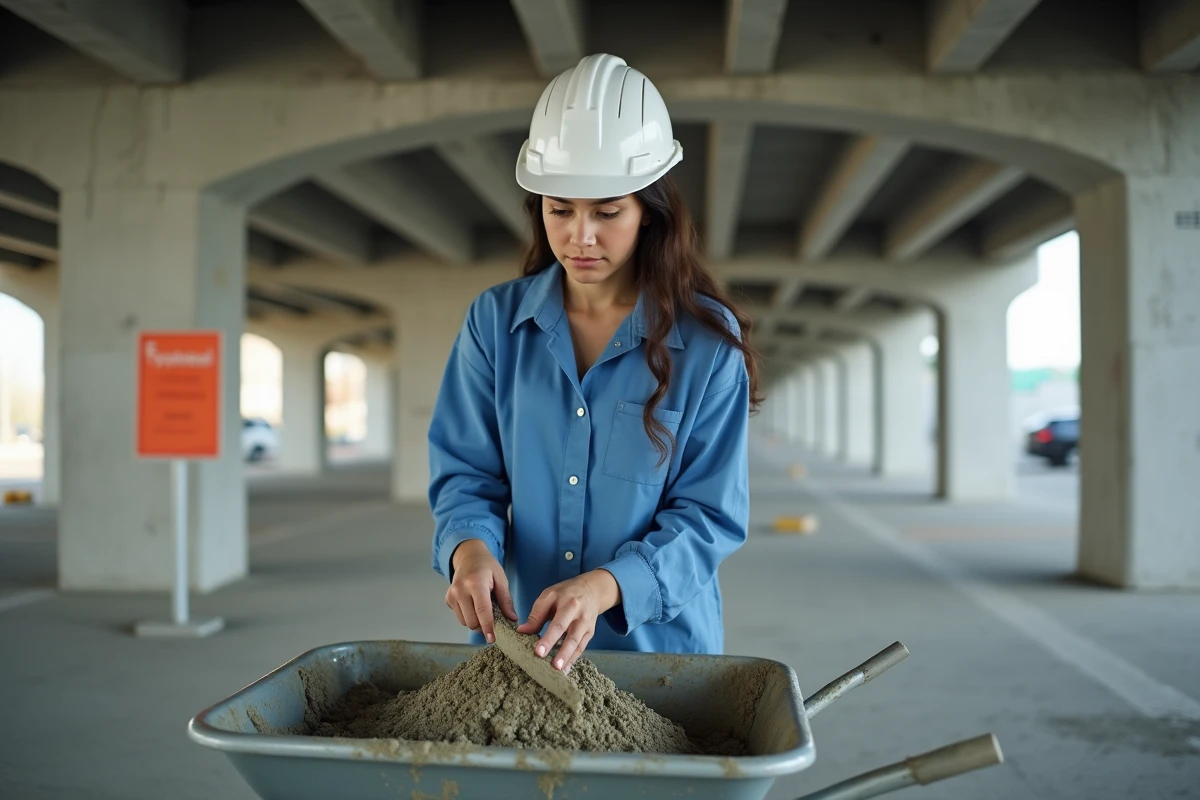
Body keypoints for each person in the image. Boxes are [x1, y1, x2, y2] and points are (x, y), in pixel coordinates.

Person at [427, 53, 762, 675]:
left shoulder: (709, 344)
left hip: (661, 661)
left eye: (607, 212)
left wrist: (606, 586)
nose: (581, 236)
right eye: (560, 210)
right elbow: (467, 472)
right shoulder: (494, 325)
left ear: (650, 213)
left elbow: (708, 517)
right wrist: (469, 549)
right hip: (520, 653)